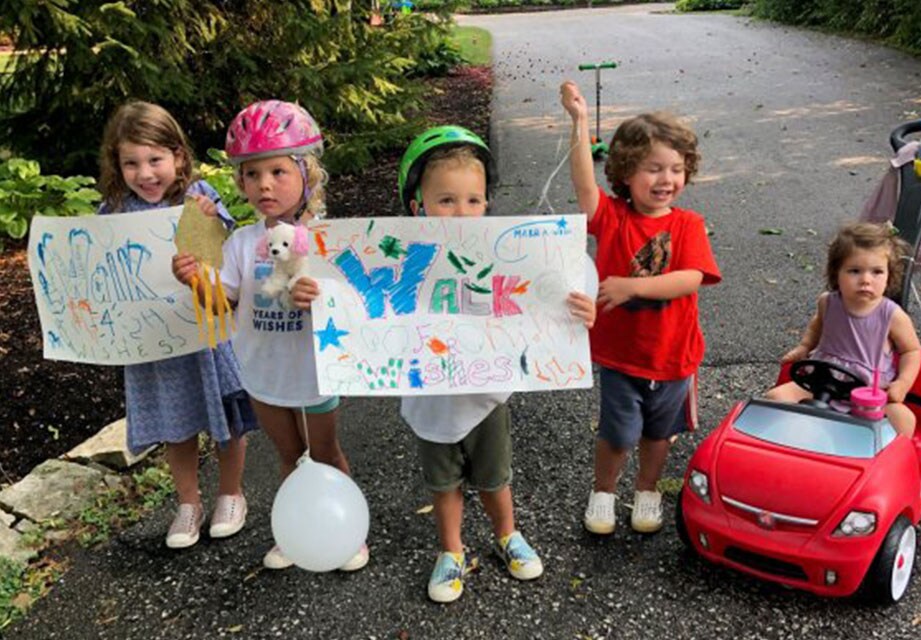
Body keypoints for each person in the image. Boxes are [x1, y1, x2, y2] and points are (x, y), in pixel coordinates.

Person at [396, 125, 597, 603]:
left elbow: (555, 289)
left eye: (473, 199)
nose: (461, 211)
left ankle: (508, 534)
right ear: (417, 207)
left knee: (495, 477)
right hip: (431, 401)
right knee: (442, 482)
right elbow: (357, 298)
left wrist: (582, 309)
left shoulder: (506, 256)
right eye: (446, 200)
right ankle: (451, 550)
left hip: (487, 396)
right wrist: (319, 297)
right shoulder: (404, 259)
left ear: (487, 204)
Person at [172, 100, 368, 571]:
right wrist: (198, 280)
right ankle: (295, 531)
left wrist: (319, 295)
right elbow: (226, 303)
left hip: (315, 371)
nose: (264, 184)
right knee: (290, 457)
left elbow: (358, 305)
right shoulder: (240, 242)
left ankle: (348, 532)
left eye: (278, 171)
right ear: (239, 182)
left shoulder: (327, 239)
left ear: (307, 174)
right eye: (251, 173)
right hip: (263, 374)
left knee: (326, 454)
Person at [560, 82, 722, 536]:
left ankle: (647, 490)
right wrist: (578, 122)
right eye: (653, 168)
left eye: (676, 168)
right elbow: (582, 185)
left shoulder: (688, 224)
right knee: (616, 434)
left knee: (658, 434)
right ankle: (604, 492)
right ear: (627, 172)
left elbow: (691, 278)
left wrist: (631, 286)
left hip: (673, 358)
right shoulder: (611, 217)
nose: (666, 179)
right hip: (621, 358)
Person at [98, 101, 258, 549]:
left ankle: (231, 493)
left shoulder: (199, 198)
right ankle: (188, 503)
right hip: (157, 342)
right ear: (118, 165)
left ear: (178, 157)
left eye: (155, 160)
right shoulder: (113, 212)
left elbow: (223, 258)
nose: (145, 173)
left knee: (227, 416)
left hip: (205, 334)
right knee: (175, 422)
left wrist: (206, 224)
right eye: (131, 163)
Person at [766, 221, 921, 436]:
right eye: (855, 271)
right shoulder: (828, 303)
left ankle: (890, 464)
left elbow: (911, 351)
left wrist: (903, 383)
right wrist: (804, 347)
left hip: (868, 394)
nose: (866, 280)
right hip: (821, 381)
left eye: (877, 272)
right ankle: (792, 445)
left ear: (889, 276)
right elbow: (817, 325)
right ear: (836, 273)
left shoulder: (892, 315)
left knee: (904, 419)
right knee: (776, 398)